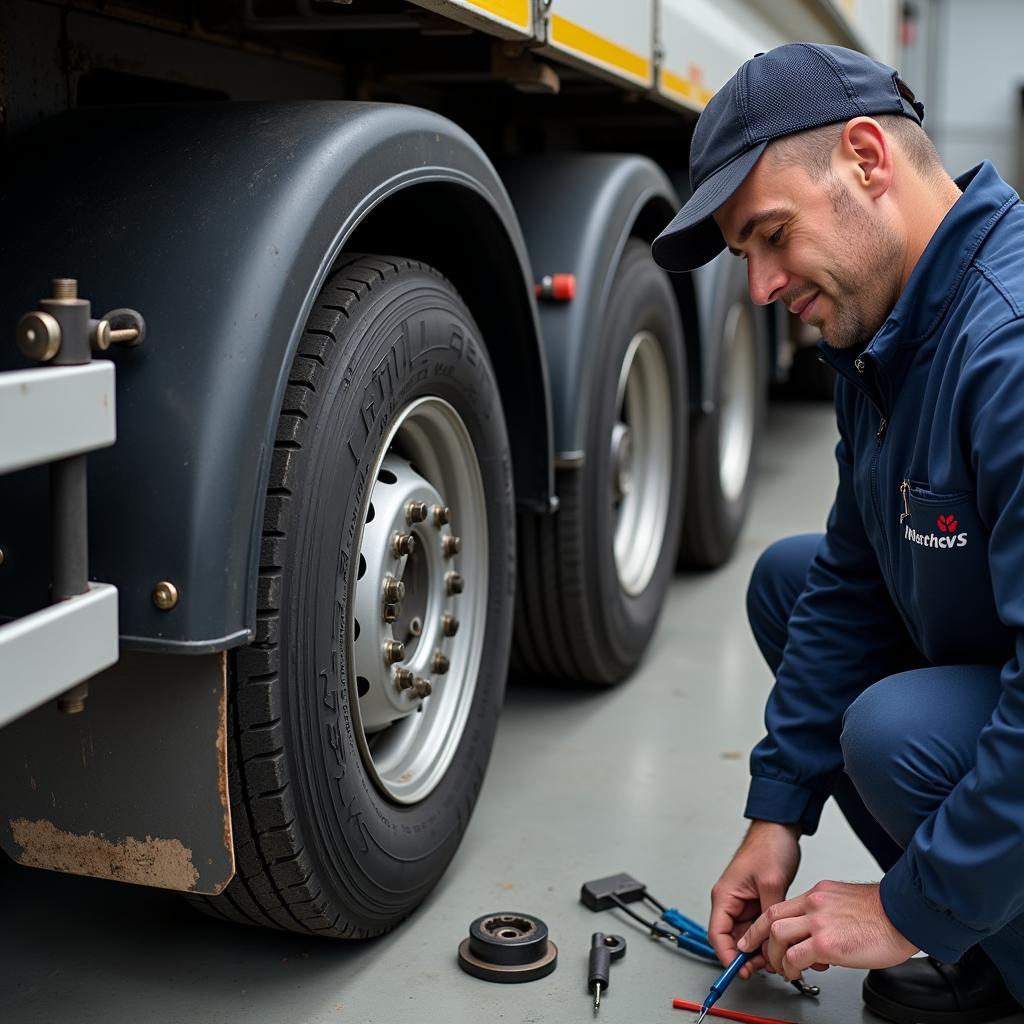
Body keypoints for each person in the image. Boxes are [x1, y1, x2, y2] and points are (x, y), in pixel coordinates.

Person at [652, 42, 1024, 1024]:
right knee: (791, 579)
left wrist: (908, 907)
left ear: (867, 158)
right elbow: (854, 576)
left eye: (770, 236)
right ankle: (993, 941)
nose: (760, 288)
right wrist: (775, 809)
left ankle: (988, 933)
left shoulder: (1009, 345)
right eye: (745, 257)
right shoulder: (890, 330)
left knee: (892, 732)